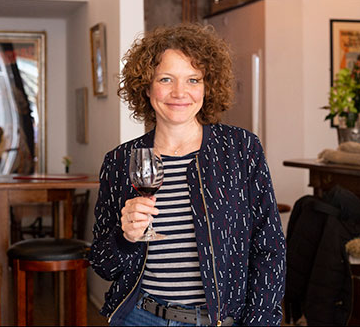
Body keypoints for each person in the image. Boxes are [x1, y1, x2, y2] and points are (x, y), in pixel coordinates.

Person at [88, 23, 285, 326]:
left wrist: (260, 320)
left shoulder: (241, 149)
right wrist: (126, 237)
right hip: (142, 317)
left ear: (208, 87)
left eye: (193, 80)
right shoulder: (120, 160)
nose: (180, 92)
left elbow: (269, 248)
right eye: (165, 79)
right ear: (146, 86)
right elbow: (103, 264)